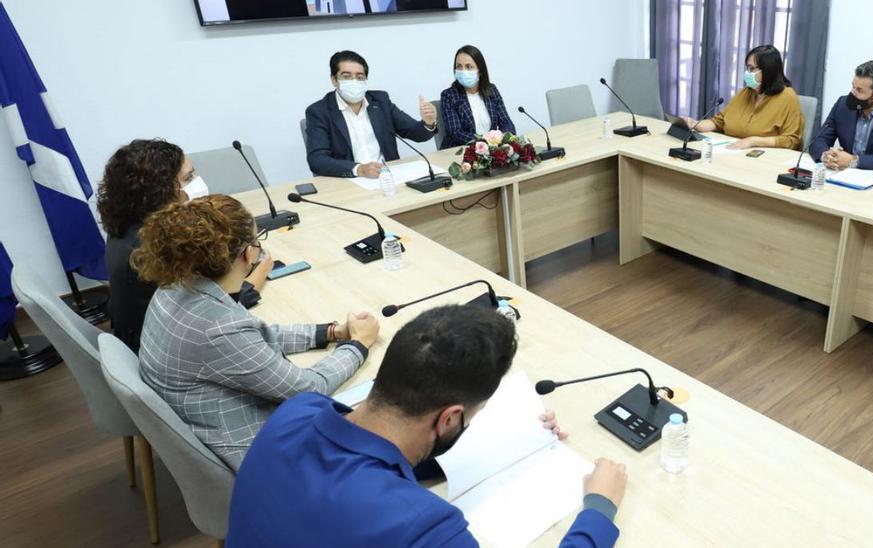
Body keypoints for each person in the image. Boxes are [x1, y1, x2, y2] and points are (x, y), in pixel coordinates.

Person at [227, 305, 628, 547]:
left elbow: (371, 450)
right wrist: (598, 508)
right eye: (474, 416)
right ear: (449, 418)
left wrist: (511, 438)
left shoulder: (297, 412)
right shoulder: (424, 528)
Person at [132, 195, 380, 471]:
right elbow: (309, 388)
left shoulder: (176, 286)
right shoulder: (219, 328)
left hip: (211, 425)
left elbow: (252, 338)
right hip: (262, 454)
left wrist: (331, 332)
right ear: (249, 254)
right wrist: (358, 345)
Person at [98, 139, 272, 353]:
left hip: (140, 333)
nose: (197, 182)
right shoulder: (155, 246)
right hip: (160, 348)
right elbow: (220, 305)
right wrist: (261, 267)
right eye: (189, 177)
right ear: (161, 188)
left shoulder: (129, 222)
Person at [305, 50, 439, 178]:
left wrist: (428, 122)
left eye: (359, 77)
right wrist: (359, 169)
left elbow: (416, 134)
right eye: (346, 77)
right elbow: (317, 160)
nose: (354, 81)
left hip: (388, 177)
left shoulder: (380, 102)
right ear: (334, 80)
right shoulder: (319, 112)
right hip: (349, 182)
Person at [683, 45, 804, 151]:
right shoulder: (745, 92)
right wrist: (695, 124)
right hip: (733, 151)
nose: (747, 73)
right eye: (747, 68)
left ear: (768, 71)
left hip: (764, 159)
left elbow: (792, 141)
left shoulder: (788, 97)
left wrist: (753, 141)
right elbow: (718, 122)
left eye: (752, 68)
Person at [808, 59, 873, 173]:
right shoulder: (843, 105)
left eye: (859, 90)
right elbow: (819, 140)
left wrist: (854, 161)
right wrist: (825, 156)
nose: (853, 93)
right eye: (853, 86)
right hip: (844, 175)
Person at [439, 45, 517, 148]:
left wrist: (504, 138)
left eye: (468, 67)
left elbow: (506, 122)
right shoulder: (449, 95)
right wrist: (486, 141)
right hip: (460, 151)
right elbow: (456, 133)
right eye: (459, 66)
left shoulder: (491, 90)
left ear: (480, 71)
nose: (463, 71)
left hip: (490, 150)